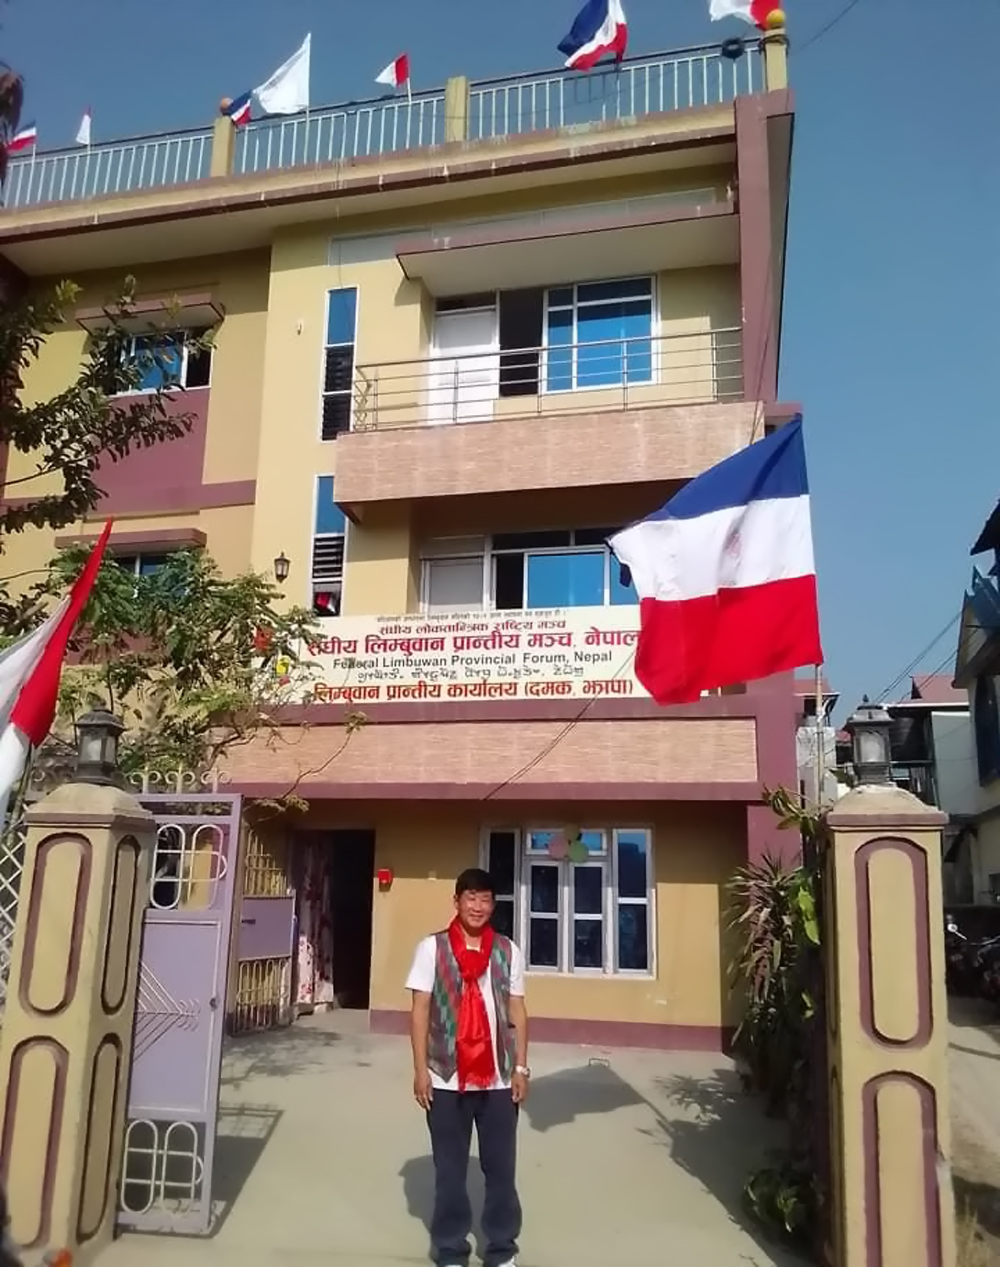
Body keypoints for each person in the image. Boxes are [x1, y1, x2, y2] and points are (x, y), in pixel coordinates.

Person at [406, 867, 529, 1267]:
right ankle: (450, 1249)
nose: (477, 906)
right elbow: (420, 1010)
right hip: (446, 1077)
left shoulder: (507, 950)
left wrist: (521, 1068)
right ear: (456, 902)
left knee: (502, 1172)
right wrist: (420, 1071)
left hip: (498, 1079)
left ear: (493, 905)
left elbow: (517, 1011)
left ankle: (502, 1249)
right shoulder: (432, 948)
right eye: (470, 898)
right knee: (450, 1173)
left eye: (485, 899)